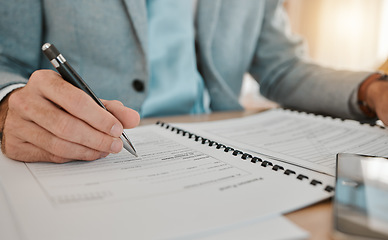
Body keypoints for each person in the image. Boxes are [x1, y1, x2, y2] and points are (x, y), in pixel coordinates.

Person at [0, 0, 387, 163]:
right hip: (90, 148)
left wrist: (372, 88)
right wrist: (9, 104)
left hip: (220, 143)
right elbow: (6, 59)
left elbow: (282, 67)